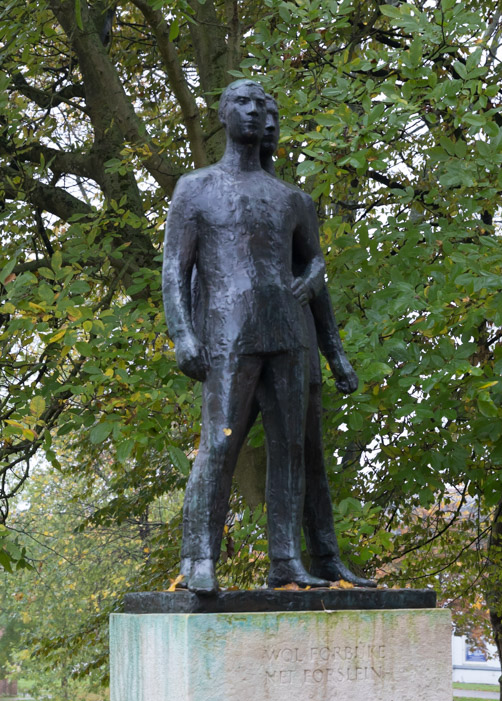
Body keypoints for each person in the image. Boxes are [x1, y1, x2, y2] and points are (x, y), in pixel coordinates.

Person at [162, 79, 327, 594]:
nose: (253, 112)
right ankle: (197, 558)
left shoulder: (291, 198)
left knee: (291, 449)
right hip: (227, 336)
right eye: (241, 102)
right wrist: (183, 334)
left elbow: (312, 258)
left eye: (260, 104)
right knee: (219, 444)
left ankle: (286, 560)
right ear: (222, 112)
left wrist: (313, 275)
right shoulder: (196, 188)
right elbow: (173, 267)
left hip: (286, 333)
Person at [257, 94, 375, 588]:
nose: (268, 128)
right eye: (258, 119)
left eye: (274, 121)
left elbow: (316, 279)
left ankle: (324, 556)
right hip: (238, 342)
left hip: (297, 340)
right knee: (244, 449)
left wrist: (336, 355)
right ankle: (273, 559)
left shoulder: (294, 201)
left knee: (308, 453)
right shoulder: (208, 193)